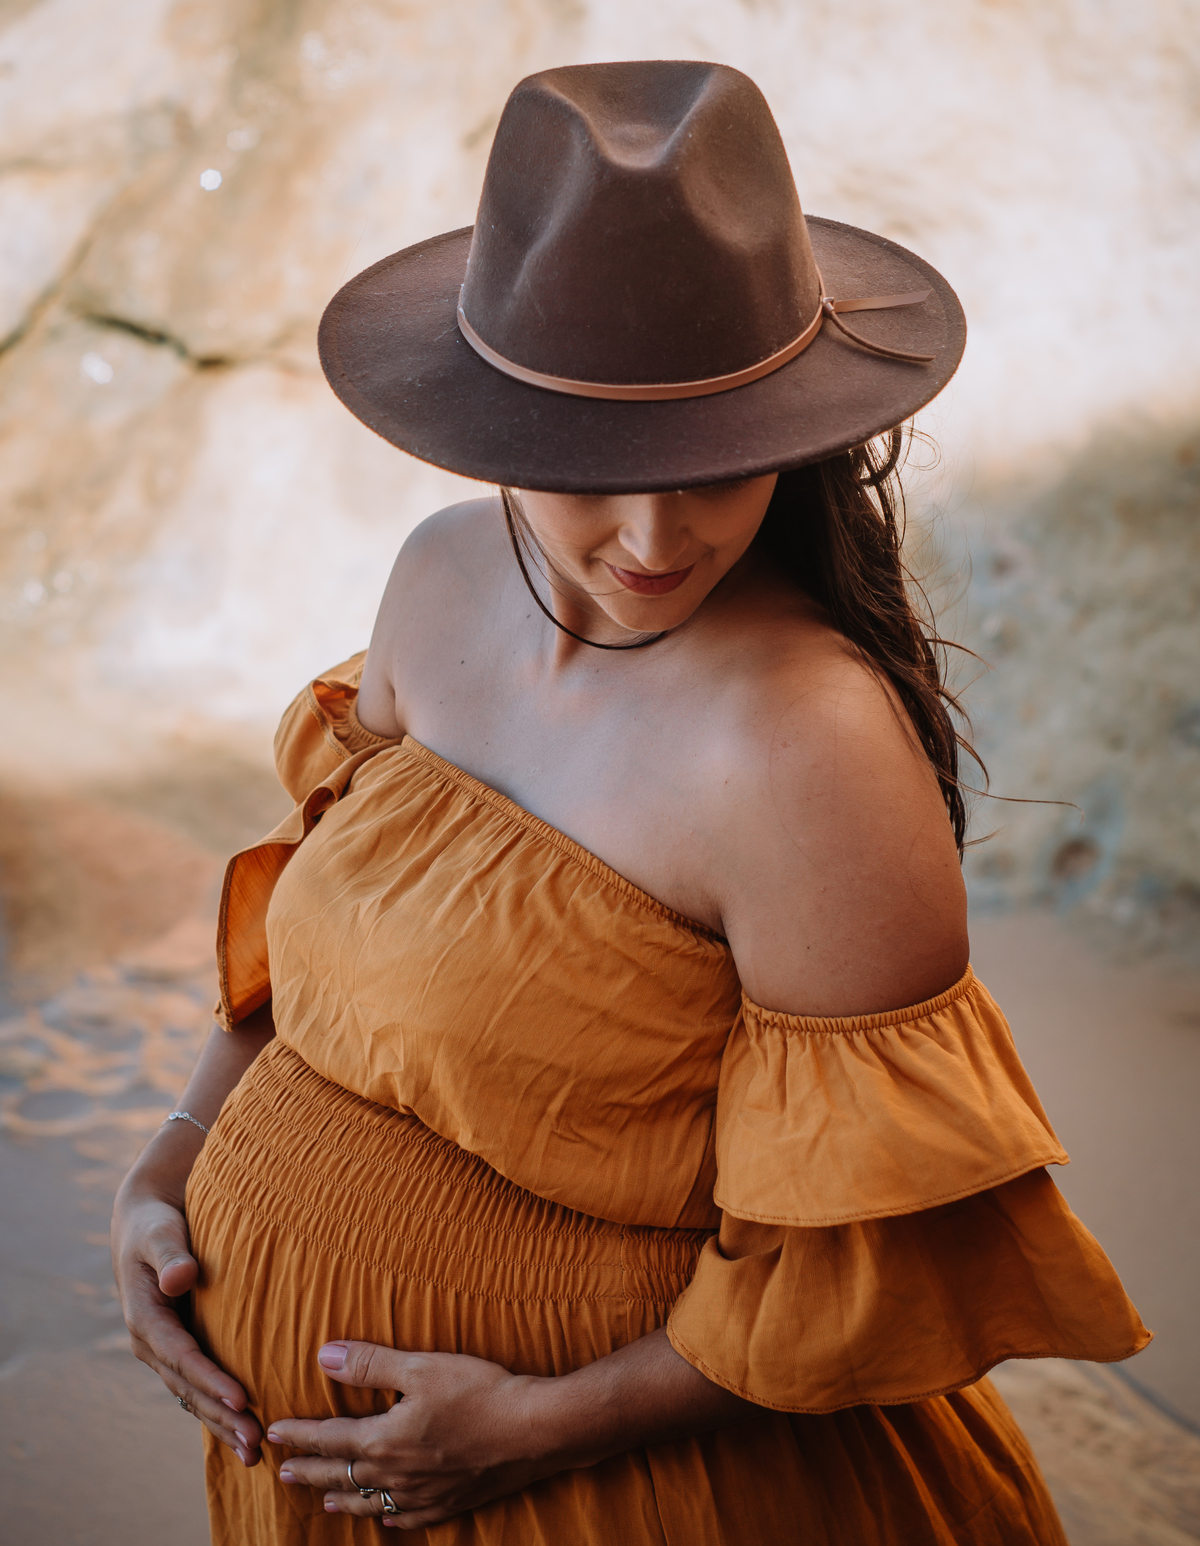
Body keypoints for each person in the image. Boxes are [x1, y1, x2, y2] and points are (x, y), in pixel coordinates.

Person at [113, 60, 1148, 1543]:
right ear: (498, 425)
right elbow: (312, 948)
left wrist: (536, 1429)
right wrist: (174, 1155)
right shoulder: (440, 579)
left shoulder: (805, 748)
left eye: (717, 466)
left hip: (621, 1496)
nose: (656, 538)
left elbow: (871, 1258)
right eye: (597, 468)